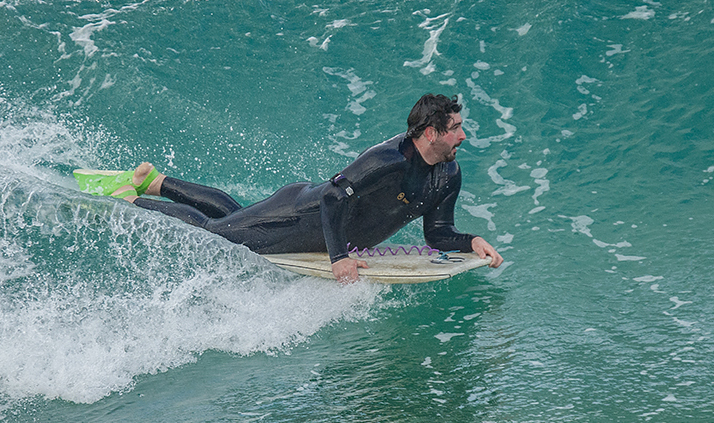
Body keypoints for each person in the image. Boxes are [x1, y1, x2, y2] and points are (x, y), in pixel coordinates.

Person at [77, 94, 503, 283]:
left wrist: (470, 241)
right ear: (430, 133)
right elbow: (334, 196)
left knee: (234, 218)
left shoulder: (447, 174)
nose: (463, 136)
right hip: (300, 216)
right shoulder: (388, 161)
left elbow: (437, 234)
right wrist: (339, 258)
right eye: (455, 129)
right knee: (217, 234)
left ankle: (155, 181)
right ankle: (133, 201)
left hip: (311, 224)